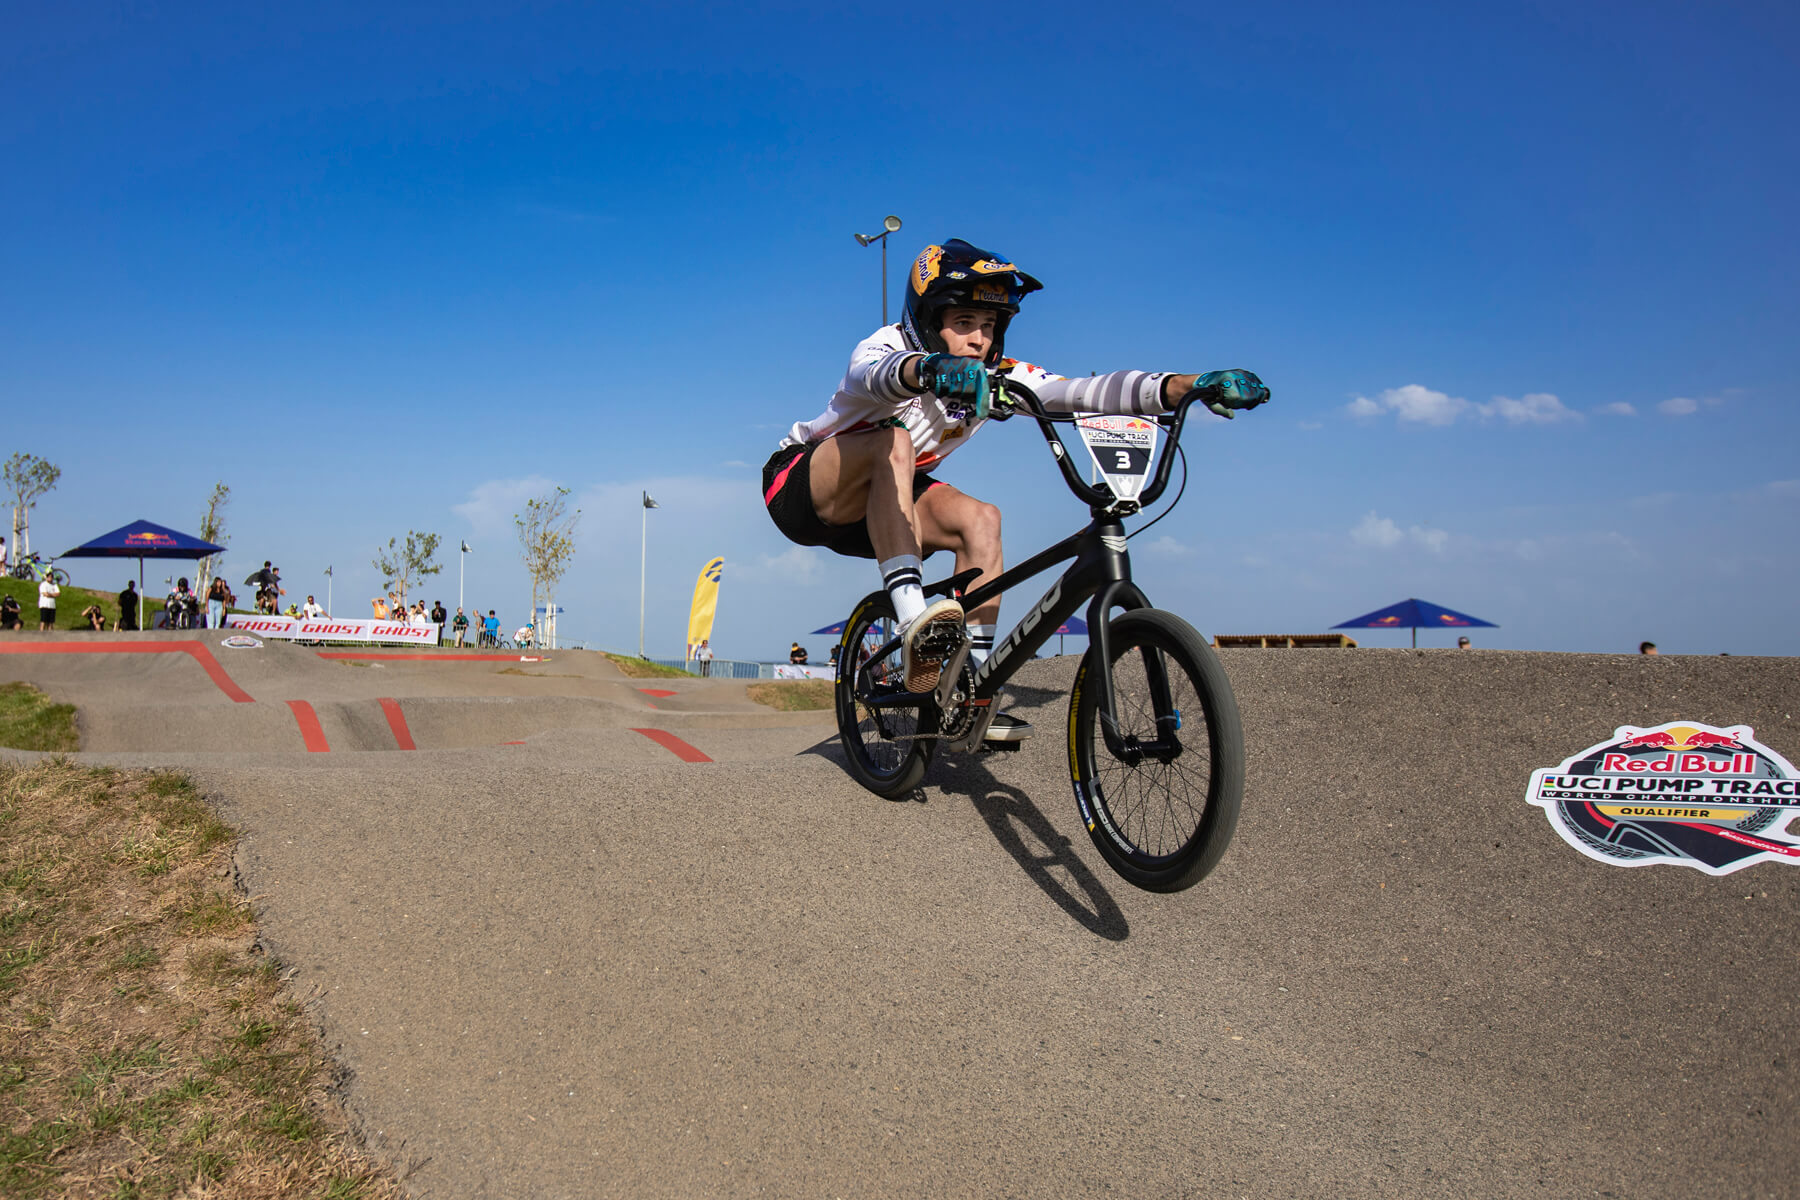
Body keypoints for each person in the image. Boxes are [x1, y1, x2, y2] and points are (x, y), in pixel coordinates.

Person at [761, 238, 1268, 740]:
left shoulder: (1000, 375)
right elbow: (876, 376)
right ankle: (915, 623)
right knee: (891, 440)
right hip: (805, 489)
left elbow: (1082, 392)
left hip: (887, 503)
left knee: (983, 519)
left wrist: (1188, 385)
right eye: (963, 324)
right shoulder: (887, 345)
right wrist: (936, 372)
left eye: (988, 326)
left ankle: (973, 686)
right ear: (927, 321)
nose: (979, 340)